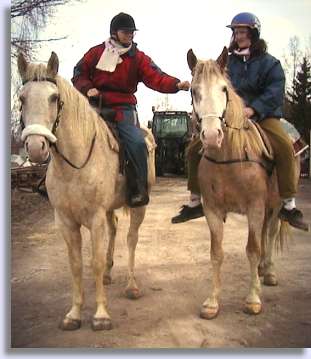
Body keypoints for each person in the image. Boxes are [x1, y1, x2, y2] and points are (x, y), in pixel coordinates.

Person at [171, 12, 305, 230]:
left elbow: (275, 91)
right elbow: (215, 86)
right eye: (235, 31)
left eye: (242, 31)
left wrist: (254, 109)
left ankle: (288, 203)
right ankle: (195, 200)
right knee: (194, 148)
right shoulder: (227, 62)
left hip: (264, 116)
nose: (238, 35)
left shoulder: (270, 63)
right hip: (232, 116)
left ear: (253, 33)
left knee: (284, 146)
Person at [72, 12, 190, 207]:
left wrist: (176, 85)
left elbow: (156, 77)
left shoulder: (138, 58)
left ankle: (138, 189)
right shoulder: (95, 53)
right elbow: (78, 73)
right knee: (67, 132)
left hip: (123, 108)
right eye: (126, 31)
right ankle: (54, 183)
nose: (130, 35)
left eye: (132, 32)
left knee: (136, 143)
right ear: (114, 32)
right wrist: (87, 88)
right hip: (94, 106)